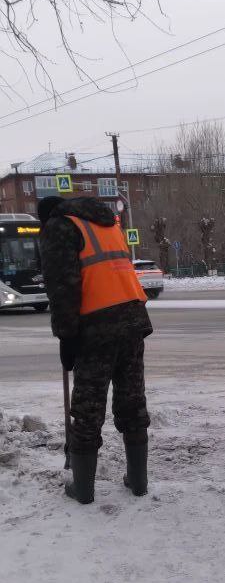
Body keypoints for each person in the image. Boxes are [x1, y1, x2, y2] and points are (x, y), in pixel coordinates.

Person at [39, 196, 153, 504]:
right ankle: (139, 481)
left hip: (96, 327)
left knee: (88, 408)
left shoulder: (59, 227)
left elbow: (62, 287)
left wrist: (66, 337)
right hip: (132, 317)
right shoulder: (104, 223)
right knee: (132, 400)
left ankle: (84, 490)